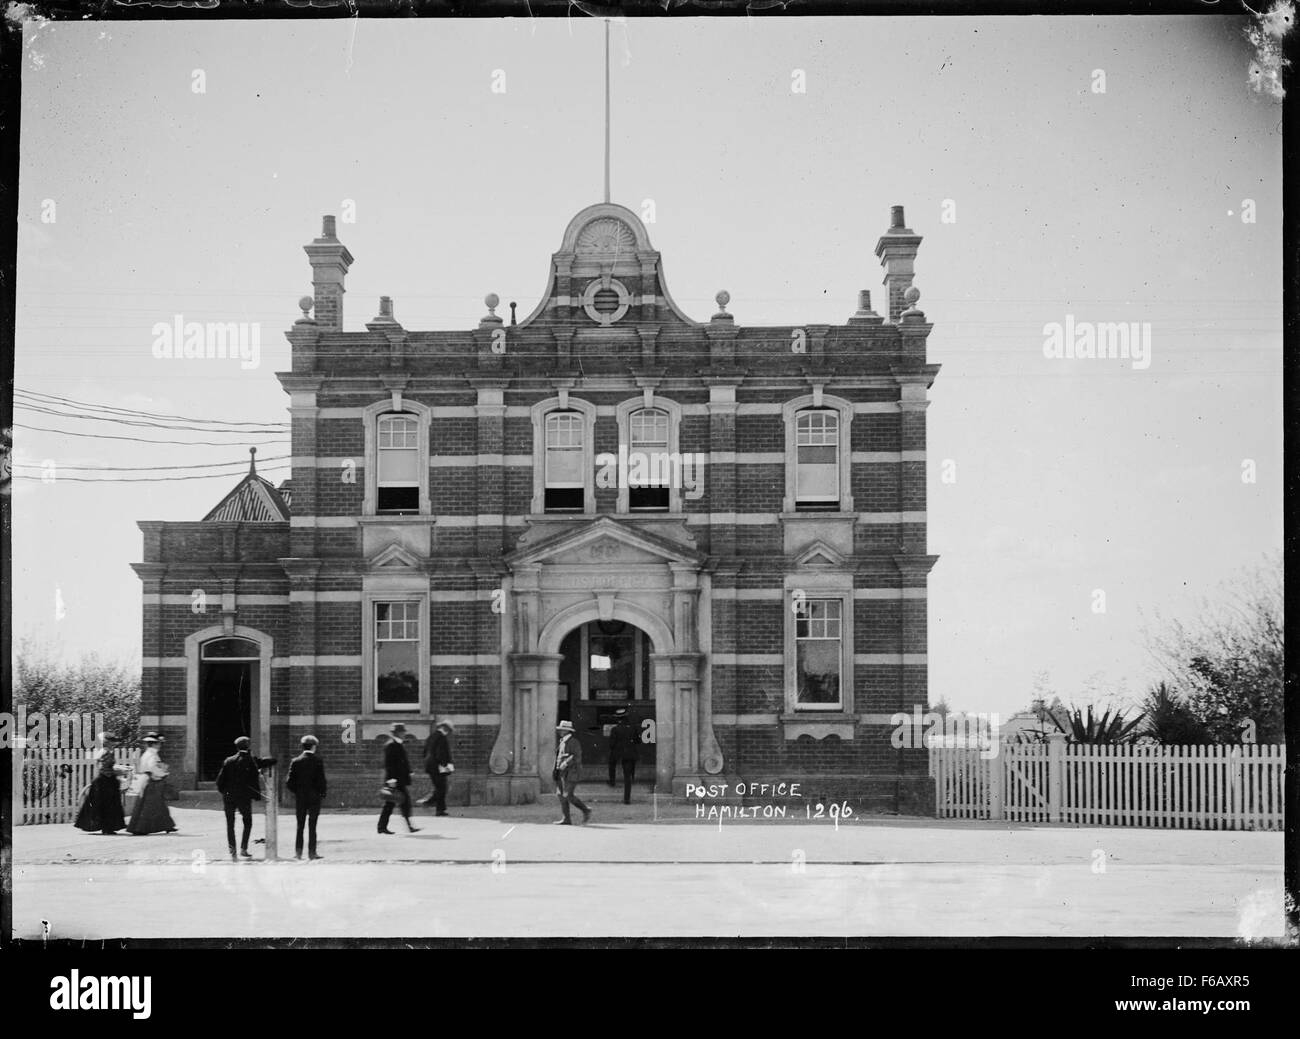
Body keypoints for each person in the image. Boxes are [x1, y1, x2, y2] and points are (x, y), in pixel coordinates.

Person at [216, 735, 263, 860]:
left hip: (229, 797)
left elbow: (220, 781)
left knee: (230, 824)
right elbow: (254, 779)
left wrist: (225, 792)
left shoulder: (228, 760)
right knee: (247, 822)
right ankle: (244, 848)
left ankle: (232, 852)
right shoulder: (250, 761)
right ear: (248, 746)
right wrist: (256, 794)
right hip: (244, 797)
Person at [74, 732, 127, 835]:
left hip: (105, 780)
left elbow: (105, 767)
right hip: (105, 781)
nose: (114, 744)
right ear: (107, 743)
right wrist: (119, 771)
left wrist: (116, 770)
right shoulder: (106, 752)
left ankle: (107, 827)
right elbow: (104, 768)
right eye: (112, 742)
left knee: (106, 804)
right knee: (107, 804)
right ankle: (107, 828)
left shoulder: (104, 752)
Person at [285, 734, 327, 860]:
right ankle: (312, 853)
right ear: (314, 746)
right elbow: (321, 781)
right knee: (312, 825)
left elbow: (289, 782)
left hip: (301, 797)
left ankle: (298, 853)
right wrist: (321, 793)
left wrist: (297, 792)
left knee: (300, 825)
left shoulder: (296, 761)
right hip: (314, 797)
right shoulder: (318, 761)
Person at [126, 733, 177, 835]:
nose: (160, 745)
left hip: (148, 779)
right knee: (151, 804)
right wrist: (163, 773)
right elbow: (152, 767)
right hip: (153, 781)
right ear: (154, 744)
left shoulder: (147, 754)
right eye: (158, 743)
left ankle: (167, 825)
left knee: (157, 804)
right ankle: (141, 828)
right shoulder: (152, 755)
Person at [377, 723, 420, 834]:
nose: (405, 733)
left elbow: (402, 761)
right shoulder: (391, 745)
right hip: (394, 780)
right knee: (395, 803)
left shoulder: (398, 743)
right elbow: (389, 764)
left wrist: (409, 771)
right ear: (398, 733)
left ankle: (383, 827)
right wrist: (391, 780)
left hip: (399, 779)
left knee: (395, 803)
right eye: (403, 732)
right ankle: (383, 827)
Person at [553, 719, 591, 825]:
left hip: (572, 773)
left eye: (563, 730)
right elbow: (558, 757)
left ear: (568, 731)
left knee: (568, 795)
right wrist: (556, 769)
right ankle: (566, 819)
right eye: (560, 729)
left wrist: (566, 763)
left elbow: (576, 757)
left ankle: (586, 810)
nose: (560, 731)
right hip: (562, 773)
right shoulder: (562, 741)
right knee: (560, 795)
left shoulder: (574, 742)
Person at [420, 720, 455, 816]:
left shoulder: (431, 737)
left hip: (430, 766)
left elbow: (424, 752)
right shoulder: (441, 738)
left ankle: (436, 806)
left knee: (440, 787)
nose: (449, 732)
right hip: (438, 766)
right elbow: (441, 753)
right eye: (449, 730)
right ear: (445, 728)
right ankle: (434, 806)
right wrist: (445, 765)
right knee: (442, 787)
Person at [609, 711, 641, 805]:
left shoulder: (615, 729)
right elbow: (638, 741)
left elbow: (611, 744)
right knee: (628, 777)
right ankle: (627, 799)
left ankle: (612, 781)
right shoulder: (633, 728)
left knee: (612, 764)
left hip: (619, 754)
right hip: (630, 754)